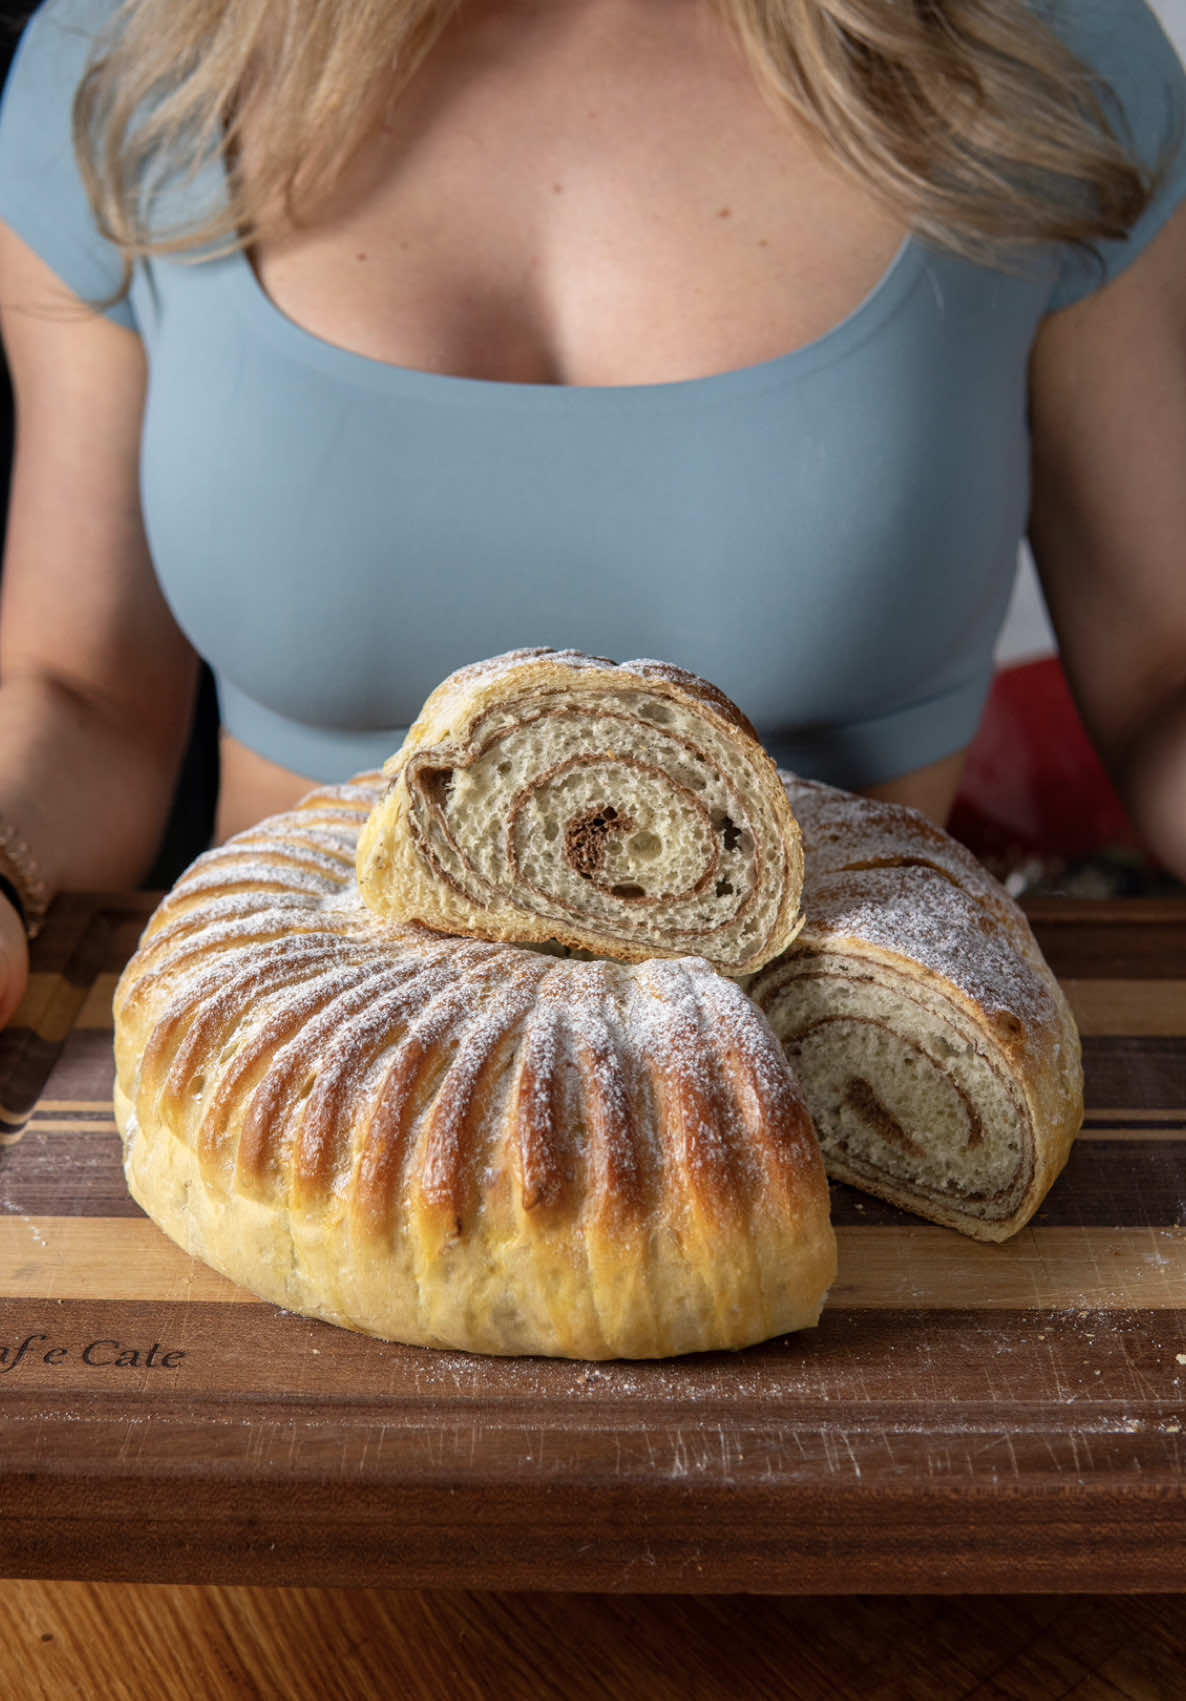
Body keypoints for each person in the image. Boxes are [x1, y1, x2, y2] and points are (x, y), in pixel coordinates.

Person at [0, 0, 1183, 1028]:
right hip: (287, 1114)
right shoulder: (131, 60)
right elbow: (76, 692)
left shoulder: (1039, 56)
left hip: (839, 1139)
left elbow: (1163, 680)